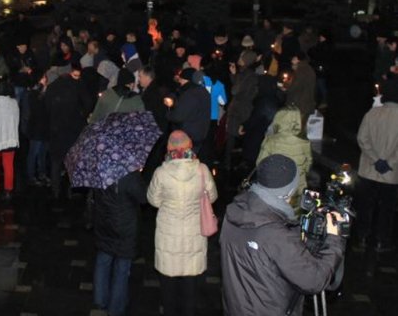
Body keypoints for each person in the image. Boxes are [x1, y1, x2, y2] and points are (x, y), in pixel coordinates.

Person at [220, 154, 345, 316]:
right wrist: (334, 239)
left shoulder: (234, 212)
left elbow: (265, 256)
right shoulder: (276, 234)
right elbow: (314, 281)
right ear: (290, 190)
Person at [147, 131, 217, 316]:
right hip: (194, 234)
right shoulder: (202, 170)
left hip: (168, 235)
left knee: (168, 286)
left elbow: (153, 200)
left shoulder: (161, 172)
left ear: (169, 148)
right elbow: (213, 196)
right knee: (190, 286)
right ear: (189, 146)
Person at [92, 170, 147, 316]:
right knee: (122, 267)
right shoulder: (129, 174)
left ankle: (100, 298)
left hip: (104, 221)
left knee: (103, 259)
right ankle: (116, 307)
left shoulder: (98, 170)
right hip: (125, 225)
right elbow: (143, 197)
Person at [354, 78, 398, 253]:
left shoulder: (372, 113)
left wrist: (375, 159)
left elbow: (361, 138)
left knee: (365, 205)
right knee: (386, 209)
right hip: (391, 173)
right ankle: (381, 241)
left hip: (368, 170)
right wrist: (389, 162)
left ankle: (362, 238)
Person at [45, 63, 93, 198]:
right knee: (72, 161)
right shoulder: (77, 85)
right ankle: (72, 190)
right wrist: (82, 114)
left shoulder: (52, 87)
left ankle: (55, 190)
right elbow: (88, 102)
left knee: (56, 161)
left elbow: (47, 108)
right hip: (73, 129)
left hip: (56, 129)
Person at [256, 107, 312, 203]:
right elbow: (308, 164)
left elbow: (260, 163)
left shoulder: (271, 141)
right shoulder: (304, 143)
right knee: (295, 212)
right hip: (298, 186)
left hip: (275, 187)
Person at [165, 68, 211, 153]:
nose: (179, 82)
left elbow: (178, 116)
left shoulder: (190, 95)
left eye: (181, 79)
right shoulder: (203, 91)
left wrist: (168, 113)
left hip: (189, 136)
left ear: (185, 79)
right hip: (200, 133)